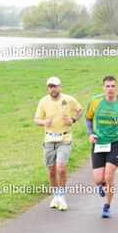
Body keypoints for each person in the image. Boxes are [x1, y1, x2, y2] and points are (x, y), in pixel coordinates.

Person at [34, 76, 84, 211]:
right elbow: (36, 119)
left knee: (61, 168)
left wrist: (73, 120)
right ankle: (55, 195)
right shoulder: (43, 101)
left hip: (64, 139)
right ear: (47, 88)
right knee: (51, 170)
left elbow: (80, 110)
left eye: (55, 86)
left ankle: (61, 196)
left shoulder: (68, 99)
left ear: (60, 87)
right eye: (51, 87)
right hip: (49, 140)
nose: (53, 89)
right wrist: (44, 122)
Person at [85, 75, 118, 218]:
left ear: (116, 87)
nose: (110, 89)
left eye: (113, 86)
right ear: (103, 88)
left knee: (109, 176)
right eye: (108, 86)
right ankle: (103, 184)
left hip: (115, 143)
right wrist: (90, 134)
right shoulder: (95, 101)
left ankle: (107, 206)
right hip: (99, 143)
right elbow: (88, 118)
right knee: (99, 179)